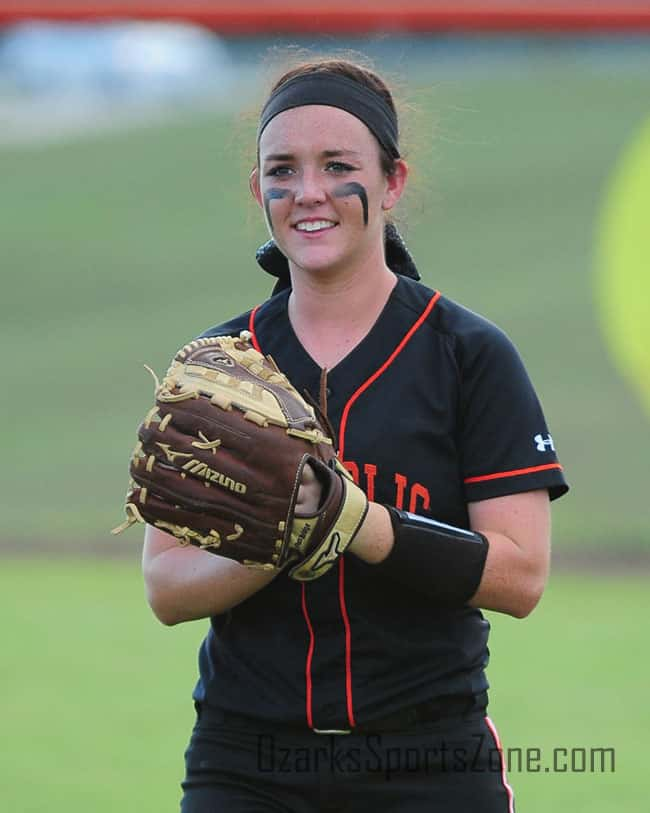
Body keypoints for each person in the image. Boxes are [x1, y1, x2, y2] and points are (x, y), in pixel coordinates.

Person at [142, 58, 568, 812]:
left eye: (339, 166)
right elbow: (168, 588)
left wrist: (360, 523)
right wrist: (286, 533)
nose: (308, 191)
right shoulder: (218, 369)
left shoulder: (467, 355)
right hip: (247, 758)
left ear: (392, 182)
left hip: (430, 757)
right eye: (283, 169)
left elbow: (522, 576)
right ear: (258, 192)